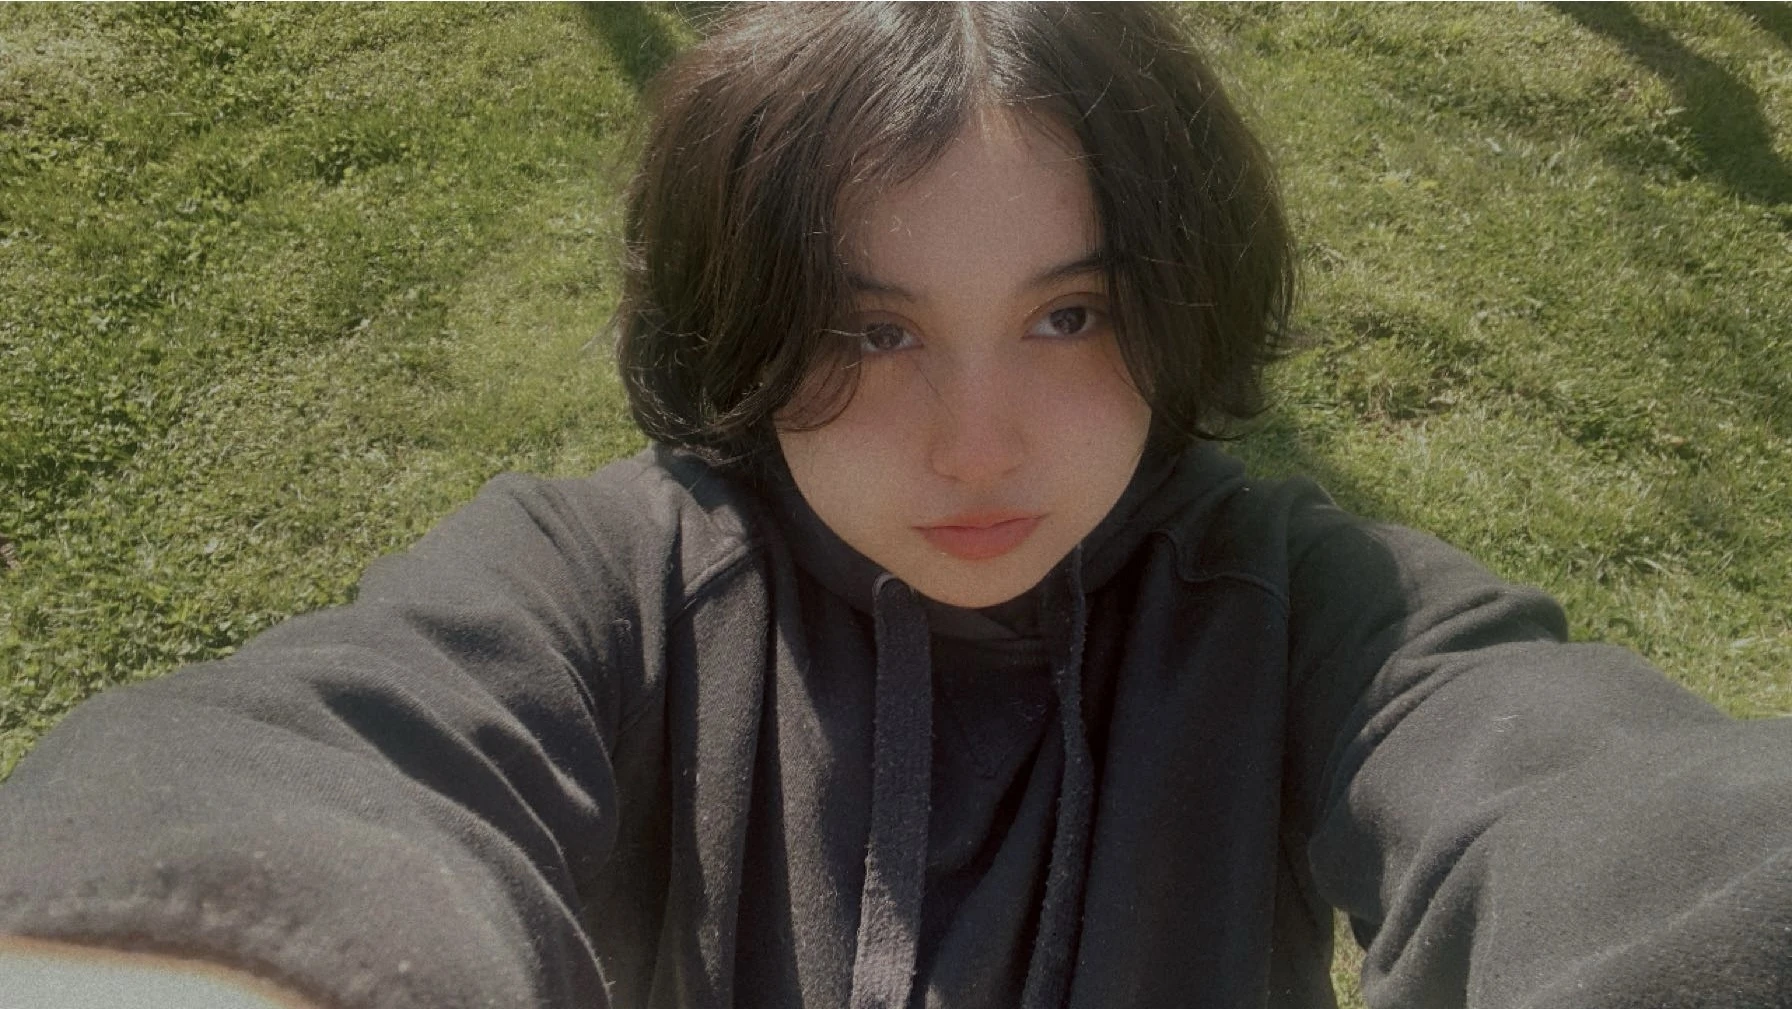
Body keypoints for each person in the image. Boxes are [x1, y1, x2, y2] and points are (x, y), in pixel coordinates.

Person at [2, 4, 1789, 1008]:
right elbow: (302, 767)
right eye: (870, 331)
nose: (978, 448)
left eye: (1070, 316)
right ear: (741, 319)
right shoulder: (612, 580)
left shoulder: (1314, 613)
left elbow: (1590, 804)